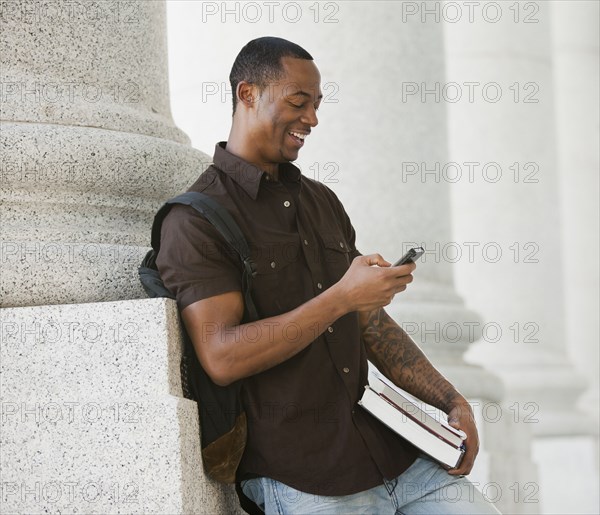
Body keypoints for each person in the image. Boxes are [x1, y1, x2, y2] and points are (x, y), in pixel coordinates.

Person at [156, 36, 500, 515]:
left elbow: (369, 323)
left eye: (316, 105)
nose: (312, 119)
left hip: (400, 459)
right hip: (304, 481)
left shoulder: (321, 202)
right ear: (247, 93)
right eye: (298, 102)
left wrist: (450, 399)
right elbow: (221, 356)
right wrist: (342, 297)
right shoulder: (195, 221)